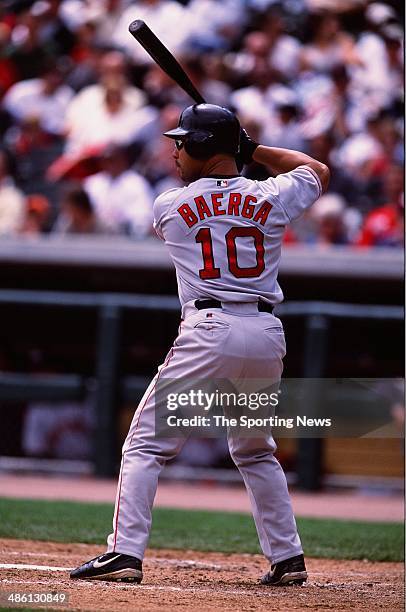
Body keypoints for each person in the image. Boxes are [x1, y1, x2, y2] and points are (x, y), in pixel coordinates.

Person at [70, 104, 329, 586]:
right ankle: (288, 557)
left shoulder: (168, 205)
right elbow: (315, 170)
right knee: (255, 450)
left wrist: (237, 152)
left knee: (146, 443)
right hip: (267, 332)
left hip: (209, 329)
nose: (175, 151)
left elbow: (208, 198)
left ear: (205, 147)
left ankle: (124, 552)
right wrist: (255, 151)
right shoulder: (271, 194)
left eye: (184, 141)